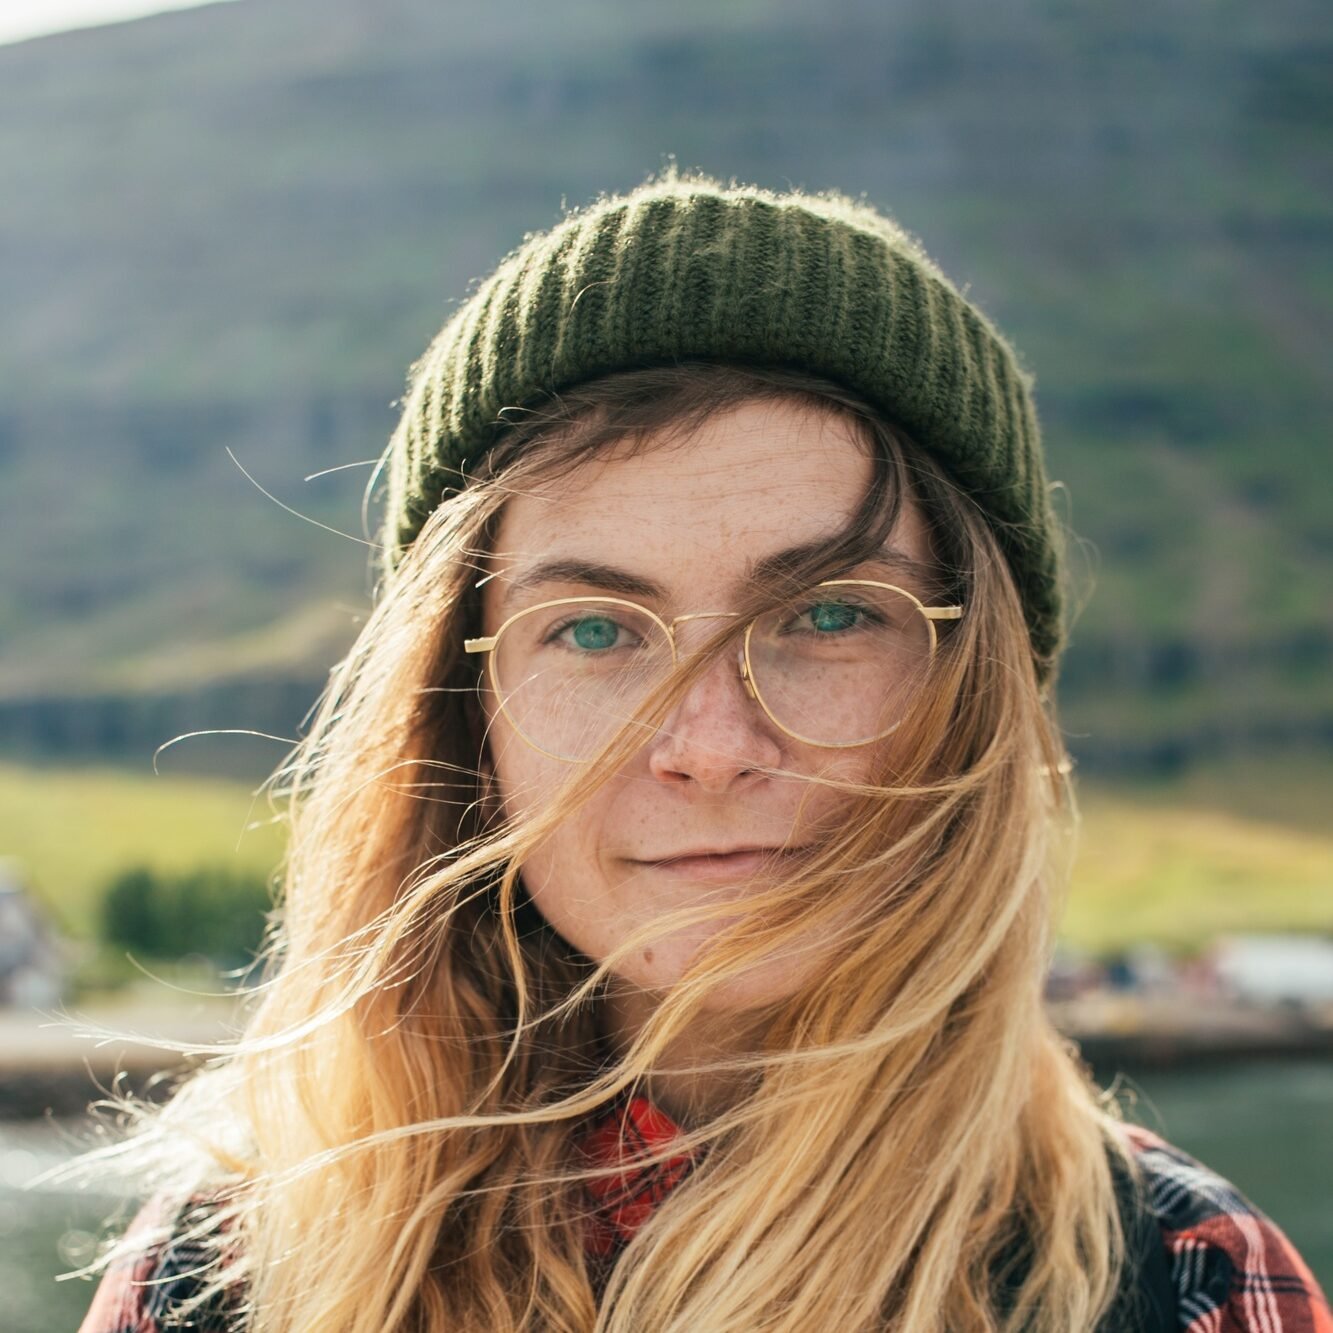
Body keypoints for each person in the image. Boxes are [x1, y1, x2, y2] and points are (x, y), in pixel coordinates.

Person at [78, 174, 1330, 1332]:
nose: (710, 747)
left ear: (976, 688)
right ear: (466, 708)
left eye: (828, 616)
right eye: (591, 630)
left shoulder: (1193, 1283)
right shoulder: (220, 1275)